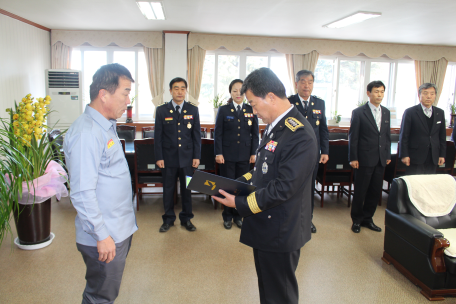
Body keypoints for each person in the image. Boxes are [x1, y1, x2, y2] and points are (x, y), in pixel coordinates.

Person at [213, 67, 317, 304]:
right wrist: (232, 185)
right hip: (267, 224)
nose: (252, 110)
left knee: (279, 294)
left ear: (270, 97)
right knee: (268, 290)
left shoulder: (299, 134)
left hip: (281, 228)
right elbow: (262, 171)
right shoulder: (277, 126)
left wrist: (238, 202)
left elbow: (283, 188)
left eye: (253, 103)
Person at [63, 63, 138, 304]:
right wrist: (102, 235)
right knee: (100, 297)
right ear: (104, 94)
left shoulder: (104, 126)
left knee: (105, 293)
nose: (128, 100)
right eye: (125, 93)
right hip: (104, 235)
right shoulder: (87, 133)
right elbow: (82, 192)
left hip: (116, 228)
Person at [155, 77, 201, 232]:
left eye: (182, 88)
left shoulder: (193, 110)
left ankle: (186, 219)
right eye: (176, 88)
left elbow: (196, 136)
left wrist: (196, 156)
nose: (180, 92)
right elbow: (158, 137)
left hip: (187, 159)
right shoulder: (162, 110)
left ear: (186, 91)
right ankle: (168, 219)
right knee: (168, 190)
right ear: (170, 91)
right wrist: (159, 157)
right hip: (168, 159)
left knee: (187, 190)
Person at [214, 79, 259, 230]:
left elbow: (255, 134)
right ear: (230, 93)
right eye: (234, 90)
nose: (238, 93)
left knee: (242, 187)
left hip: (245, 156)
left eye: (241, 90)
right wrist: (218, 153)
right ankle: (227, 216)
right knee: (227, 186)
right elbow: (218, 134)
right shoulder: (224, 109)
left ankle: (238, 216)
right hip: (226, 156)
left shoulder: (250, 109)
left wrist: (254, 153)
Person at [288, 69, 329, 233]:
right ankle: (292, 220)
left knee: (309, 188)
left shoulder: (319, 103)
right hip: (292, 154)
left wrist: (325, 151)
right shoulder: (288, 101)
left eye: (310, 82)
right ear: (296, 83)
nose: (307, 85)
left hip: (312, 155)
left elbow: (324, 130)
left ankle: (307, 220)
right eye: (303, 82)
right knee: (292, 187)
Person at [349, 81, 391, 233]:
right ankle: (357, 220)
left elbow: (386, 135)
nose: (379, 94)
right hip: (363, 159)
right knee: (361, 191)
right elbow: (353, 137)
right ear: (368, 93)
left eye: (381, 92)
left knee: (375, 191)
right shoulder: (359, 112)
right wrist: (353, 157)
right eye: (376, 91)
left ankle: (368, 219)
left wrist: (387, 154)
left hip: (380, 159)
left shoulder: (386, 112)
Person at [399, 83, 446, 175]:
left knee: (429, 183)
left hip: (433, 156)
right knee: (415, 184)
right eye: (425, 93)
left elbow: (442, 136)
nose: (429, 96)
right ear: (419, 95)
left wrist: (442, 155)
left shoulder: (440, 112)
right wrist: (404, 155)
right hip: (415, 156)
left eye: (432, 94)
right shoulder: (410, 112)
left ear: (435, 95)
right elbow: (404, 135)